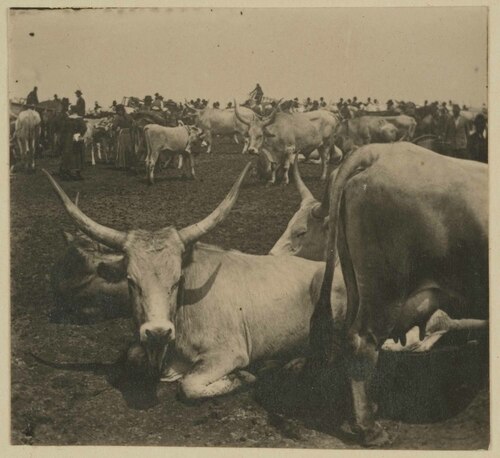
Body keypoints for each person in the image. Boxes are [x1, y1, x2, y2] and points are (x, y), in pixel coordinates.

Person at [55, 101, 87, 180]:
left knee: (68, 154)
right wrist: (79, 134)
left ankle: (67, 171)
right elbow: (84, 128)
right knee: (78, 155)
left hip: (68, 139)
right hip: (77, 139)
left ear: (72, 111)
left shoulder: (67, 119)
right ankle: (77, 172)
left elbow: (62, 129)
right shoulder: (80, 119)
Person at [113, 104, 136, 171]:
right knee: (129, 149)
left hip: (122, 134)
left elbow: (114, 126)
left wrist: (115, 128)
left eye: (118, 110)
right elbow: (133, 123)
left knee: (121, 149)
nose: (118, 112)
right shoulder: (128, 116)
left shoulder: (117, 117)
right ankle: (130, 164)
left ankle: (122, 164)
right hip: (129, 133)